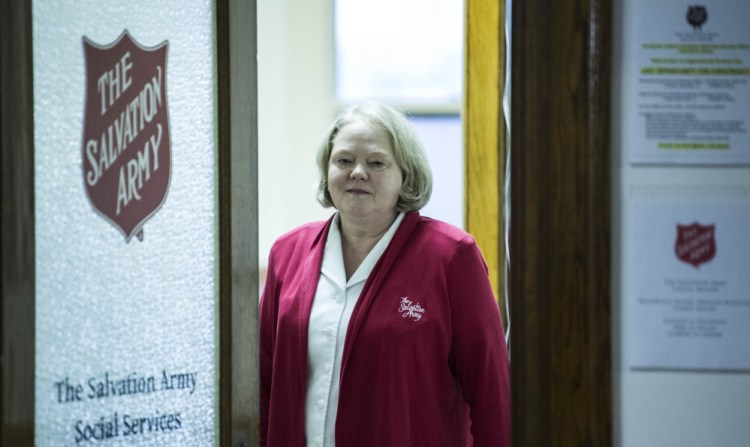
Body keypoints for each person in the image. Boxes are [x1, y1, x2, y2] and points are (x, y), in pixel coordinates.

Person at [259, 103, 510, 447]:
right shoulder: (287, 254)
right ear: (327, 170)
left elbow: (491, 392)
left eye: (376, 162)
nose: (358, 172)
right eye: (344, 161)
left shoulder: (452, 257)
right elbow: (262, 384)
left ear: (406, 175)